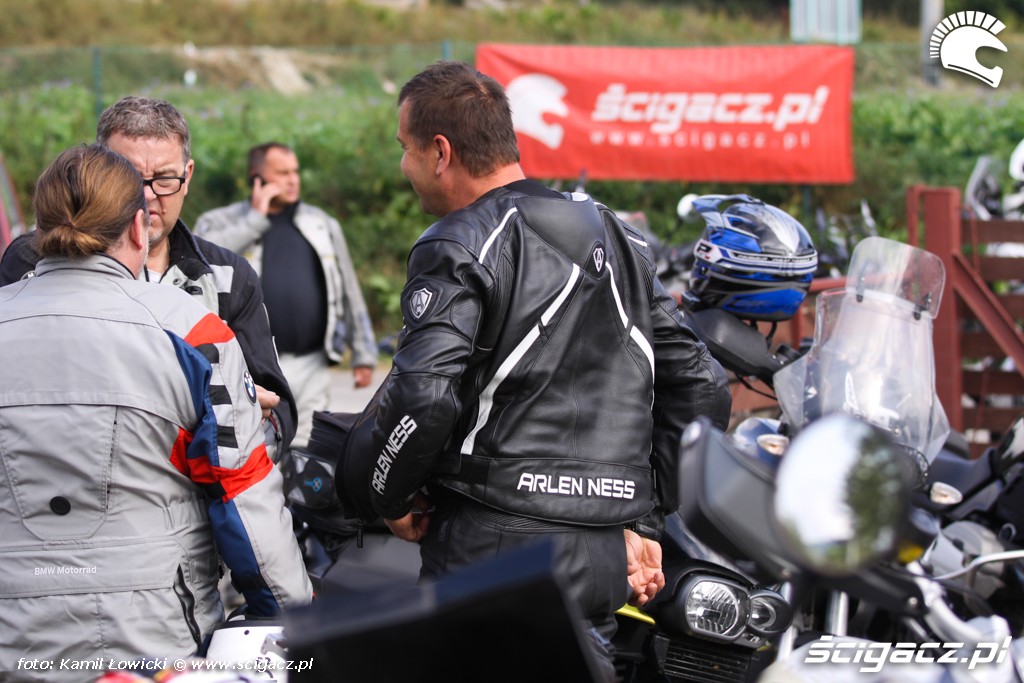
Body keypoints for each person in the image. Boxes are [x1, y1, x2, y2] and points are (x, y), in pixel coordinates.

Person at [363, 61, 731, 676]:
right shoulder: (619, 236)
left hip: (493, 546)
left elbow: (422, 398)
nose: (404, 165)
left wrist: (389, 494)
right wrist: (643, 515)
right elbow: (703, 384)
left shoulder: (460, 239)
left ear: (440, 152)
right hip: (602, 553)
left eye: (405, 148)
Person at [0, 144, 312, 681]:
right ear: (138, 229)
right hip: (154, 636)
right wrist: (296, 621)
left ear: (38, 233)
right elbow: (244, 497)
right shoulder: (193, 331)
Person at [0, 97, 297, 461]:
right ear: (98, 172)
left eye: (165, 179)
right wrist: (215, 404)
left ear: (188, 176)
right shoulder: (36, 258)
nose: (147, 195)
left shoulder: (229, 276)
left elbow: (278, 409)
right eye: (128, 178)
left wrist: (239, 443)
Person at [195, 142, 378, 449]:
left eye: (295, 172)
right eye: (282, 173)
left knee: (307, 450)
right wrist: (255, 219)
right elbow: (201, 263)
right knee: (256, 449)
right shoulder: (218, 222)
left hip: (311, 363)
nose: (293, 180)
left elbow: (348, 287)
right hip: (249, 367)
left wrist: (363, 353)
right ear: (257, 178)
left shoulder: (321, 224)